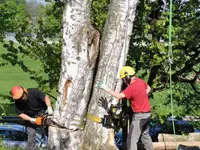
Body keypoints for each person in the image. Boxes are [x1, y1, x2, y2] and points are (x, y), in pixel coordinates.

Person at [97, 66, 154, 150]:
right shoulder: (140, 81)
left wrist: (105, 88)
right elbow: (149, 88)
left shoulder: (131, 88)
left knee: (131, 141)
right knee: (145, 136)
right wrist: (142, 96)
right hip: (147, 115)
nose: (123, 81)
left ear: (127, 77)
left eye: (123, 79)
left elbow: (119, 96)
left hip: (139, 117)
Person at [10, 85, 54, 150]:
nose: (22, 98)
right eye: (19, 98)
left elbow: (46, 97)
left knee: (50, 128)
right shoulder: (18, 102)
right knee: (31, 133)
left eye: (22, 96)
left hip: (42, 112)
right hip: (29, 116)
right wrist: (31, 119)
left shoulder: (33, 92)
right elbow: (20, 114)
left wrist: (49, 107)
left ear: (25, 91)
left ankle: (53, 147)